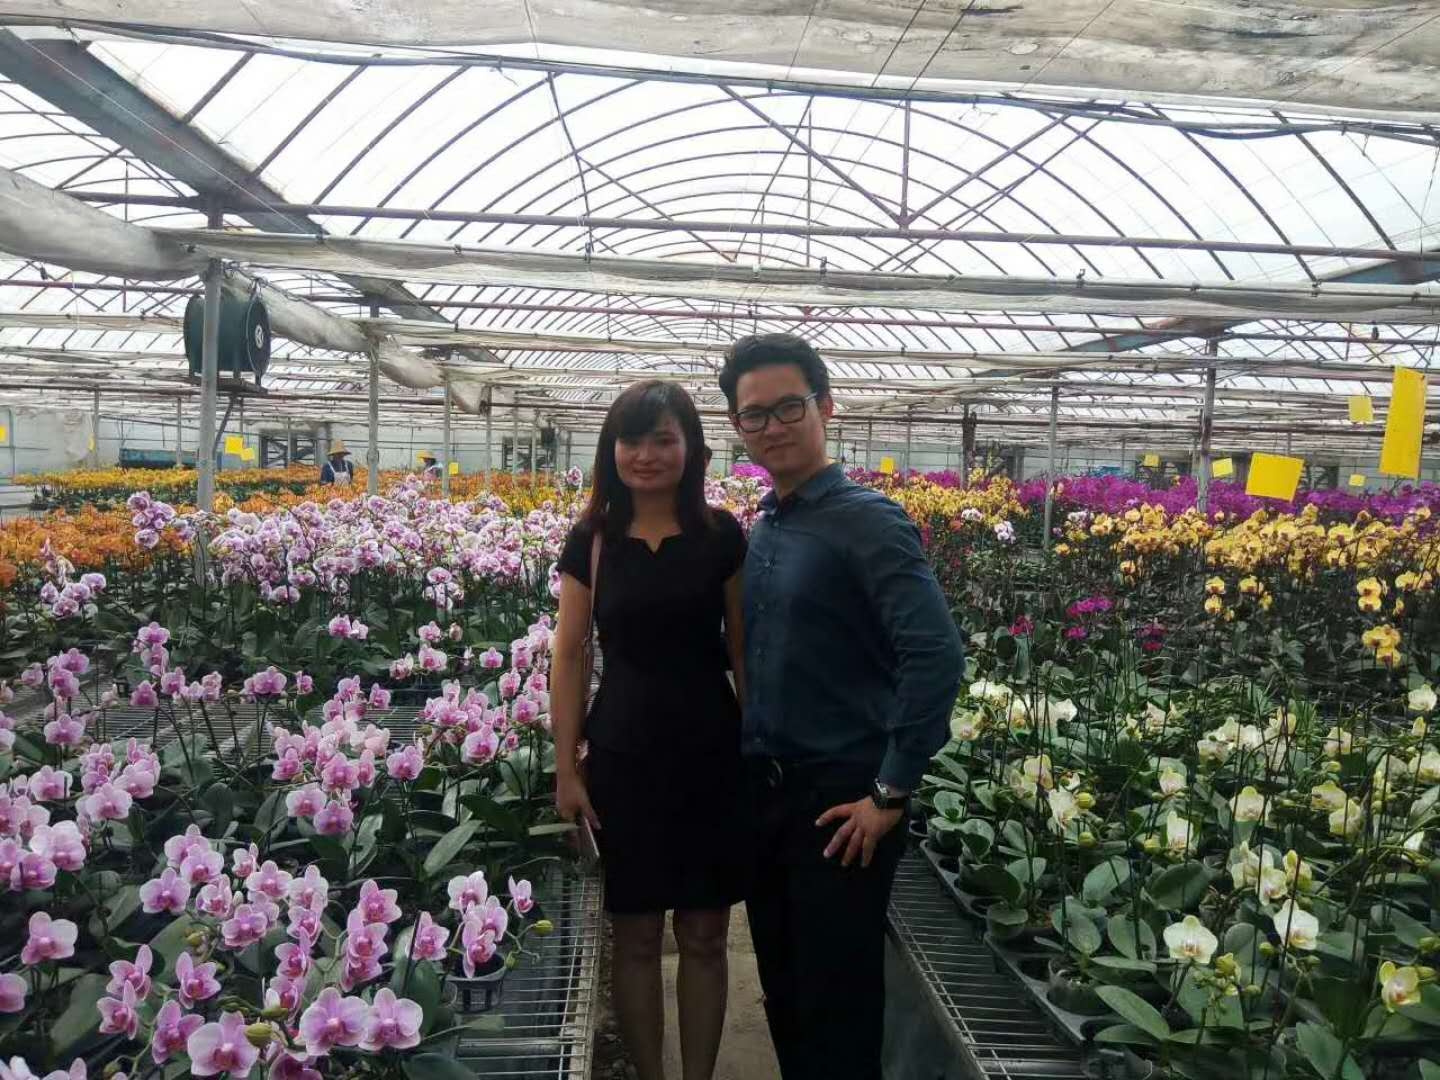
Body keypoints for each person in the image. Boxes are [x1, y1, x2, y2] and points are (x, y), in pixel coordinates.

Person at [720, 333, 963, 1080]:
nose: (772, 427)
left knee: (838, 1005)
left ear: (826, 407)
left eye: (788, 407)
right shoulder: (769, 521)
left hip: (841, 804)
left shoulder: (869, 520)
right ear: (737, 426)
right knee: (786, 990)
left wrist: (891, 790)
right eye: (754, 415)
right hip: (769, 796)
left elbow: (936, 655)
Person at [551, 381, 748, 1080]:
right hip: (623, 756)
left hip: (711, 755)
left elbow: (742, 650)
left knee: (705, 933)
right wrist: (567, 769)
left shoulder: (722, 536)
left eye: (663, 439)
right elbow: (569, 654)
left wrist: (762, 748)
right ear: (611, 450)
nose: (646, 454)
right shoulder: (593, 541)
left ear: (691, 448)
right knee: (633, 935)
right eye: (631, 440)